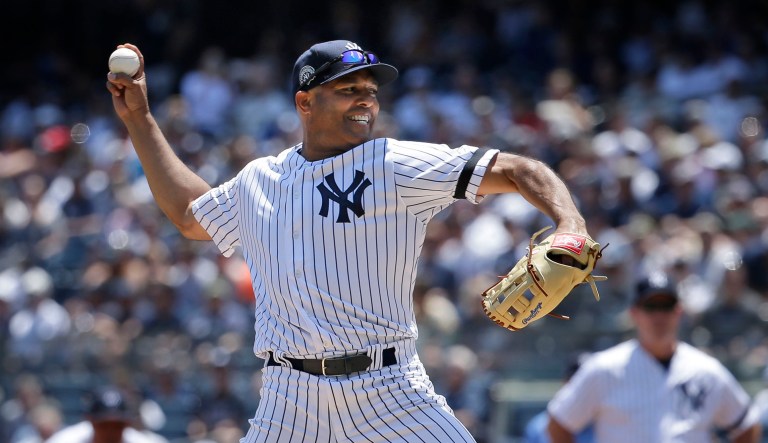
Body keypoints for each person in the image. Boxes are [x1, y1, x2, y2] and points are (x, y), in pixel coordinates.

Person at [106, 39, 593, 442]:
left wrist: (569, 223)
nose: (366, 99)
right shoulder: (261, 179)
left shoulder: (393, 163)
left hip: (389, 389)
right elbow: (192, 216)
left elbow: (516, 168)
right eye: (348, 88)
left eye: (371, 90)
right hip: (288, 398)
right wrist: (140, 120)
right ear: (305, 102)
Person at [546, 272, 763, 443]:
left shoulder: (706, 370)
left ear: (678, 311)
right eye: (651, 306)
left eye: (666, 306)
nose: (659, 315)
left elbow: (746, 425)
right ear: (634, 313)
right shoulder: (604, 368)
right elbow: (559, 423)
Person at [45, 387, 167, 443]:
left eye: (117, 425)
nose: (111, 431)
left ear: (128, 423)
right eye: (104, 425)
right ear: (90, 421)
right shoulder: (66, 440)